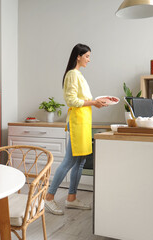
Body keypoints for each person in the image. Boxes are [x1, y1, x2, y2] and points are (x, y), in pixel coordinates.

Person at [45, 43, 106, 215]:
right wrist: (93, 102)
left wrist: (97, 102)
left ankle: (71, 198)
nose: (89, 59)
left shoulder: (79, 75)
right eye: (87, 56)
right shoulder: (72, 74)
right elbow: (71, 100)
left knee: (80, 162)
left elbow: (81, 99)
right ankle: (49, 198)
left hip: (84, 122)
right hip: (77, 122)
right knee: (70, 160)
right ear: (78, 56)